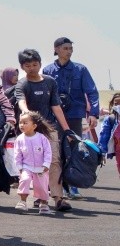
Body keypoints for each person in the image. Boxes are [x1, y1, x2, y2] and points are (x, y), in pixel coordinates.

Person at [13, 48, 73, 213]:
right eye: (28, 65)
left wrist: (67, 130)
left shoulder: (50, 81)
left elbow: (56, 106)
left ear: (40, 63)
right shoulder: (22, 83)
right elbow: (21, 101)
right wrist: (26, 114)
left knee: (53, 161)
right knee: (32, 164)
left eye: (35, 64)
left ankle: (58, 198)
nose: (32, 68)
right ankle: (40, 197)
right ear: (22, 67)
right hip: (30, 130)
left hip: (49, 128)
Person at [43, 37, 99, 200]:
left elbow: (92, 92)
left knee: (75, 150)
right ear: (56, 49)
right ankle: (57, 186)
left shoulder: (80, 70)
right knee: (56, 151)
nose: (69, 51)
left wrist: (93, 114)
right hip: (54, 117)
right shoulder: (48, 71)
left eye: (71, 48)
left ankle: (73, 186)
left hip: (74, 114)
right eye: (66, 48)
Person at [13, 111, 53, 214]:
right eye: (20, 122)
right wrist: (19, 166)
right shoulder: (20, 139)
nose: (22, 125)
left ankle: (43, 203)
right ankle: (22, 202)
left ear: (34, 126)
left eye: (25, 123)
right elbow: (17, 153)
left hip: (41, 167)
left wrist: (46, 164)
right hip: (27, 166)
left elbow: (48, 152)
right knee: (25, 180)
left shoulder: (42, 138)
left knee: (42, 186)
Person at [97, 93, 120, 176]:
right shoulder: (111, 119)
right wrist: (102, 153)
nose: (118, 105)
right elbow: (104, 136)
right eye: (116, 103)